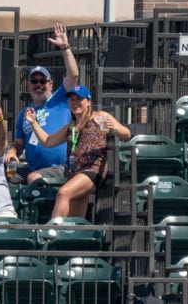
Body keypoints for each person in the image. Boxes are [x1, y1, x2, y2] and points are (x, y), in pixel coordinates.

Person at [23, 85, 132, 220]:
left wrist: (115, 129)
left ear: (88, 101)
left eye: (78, 99)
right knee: (74, 220)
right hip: (74, 173)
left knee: (63, 193)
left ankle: (51, 232)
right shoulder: (71, 126)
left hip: (92, 171)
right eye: (72, 100)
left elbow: (126, 135)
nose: (75, 103)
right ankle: (72, 238)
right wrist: (34, 123)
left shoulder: (98, 118)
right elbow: (47, 141)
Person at [6, 23, 80, 183]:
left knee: (34, 178)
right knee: (5, 175)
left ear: (51, 84)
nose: (38, 85)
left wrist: (65, 48)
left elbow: (73, 75)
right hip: (32, 169)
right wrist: (12, 152)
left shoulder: (60, 99)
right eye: (34, 81)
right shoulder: (25, 113)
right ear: (28, 85)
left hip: (60, 167)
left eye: (42, 81)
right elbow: (19, 143)